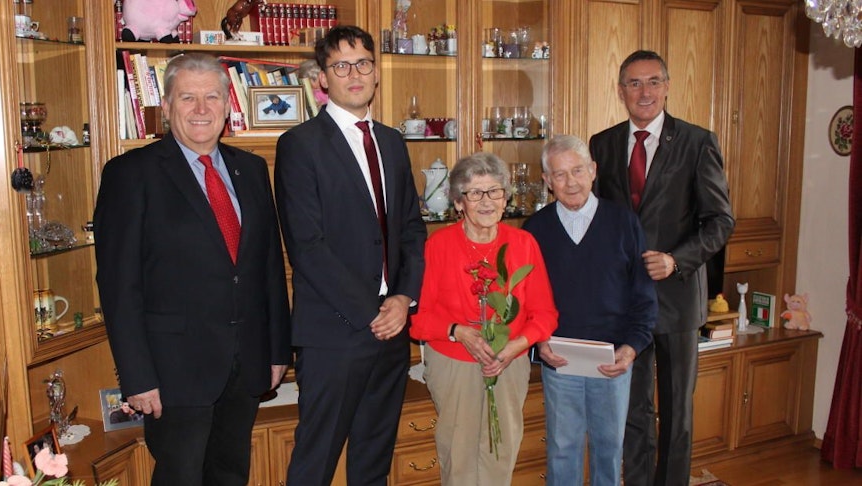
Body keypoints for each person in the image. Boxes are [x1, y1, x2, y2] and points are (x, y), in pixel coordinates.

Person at [94, 52, 291, 486]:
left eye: (212, 97)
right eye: (187, 98)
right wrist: (137, 376)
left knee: (230, 474)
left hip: (246, 363)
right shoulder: (130, 174)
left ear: (227, 106)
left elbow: (269, 269)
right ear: (166, 106)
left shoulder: (251, 169)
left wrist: (278, 350)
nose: (201, 109)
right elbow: (118, 286)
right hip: (173, 372)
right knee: (180, 478)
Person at [273, 25, 427, 486]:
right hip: (335, 333)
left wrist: (402, 299)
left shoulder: (392, 142)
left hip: (393, 329)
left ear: (376, 72)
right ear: (323, 78)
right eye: (341, 66)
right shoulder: (300, 145)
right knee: (314, 464)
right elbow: (307, 246)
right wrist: (370, 312)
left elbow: (411, 230)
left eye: (362, 63)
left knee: (373, 462)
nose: (354, 74)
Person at [589, 50, 734, 486]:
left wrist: (676, 260)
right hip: (624, 305)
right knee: (632, 410)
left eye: (653, 81)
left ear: (667, 87)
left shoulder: (697, 141)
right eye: (634, 83)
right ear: (621, 91)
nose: (644, 91)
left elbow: (720, 221)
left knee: (676, 412)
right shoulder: (602, 144)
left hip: (677, 301)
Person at [410, 152, 558, 485]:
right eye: (475, 193)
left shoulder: (524, 244)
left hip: (510, 362)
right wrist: (458, 331)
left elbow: (545, 314)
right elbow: (419, 321)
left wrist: (515, 346)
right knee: (458, 454)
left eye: (494, 191)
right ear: (458, 202)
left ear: (506, 199)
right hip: (453, 363)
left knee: (501, 453)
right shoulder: (438, 245)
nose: (486, 201)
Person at [522, 135, 657, 486]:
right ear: (547, 180)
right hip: (559, 359)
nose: (571, 182)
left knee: (609, 450)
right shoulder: (534, 230)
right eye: (560, 174)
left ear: (593, 171)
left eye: (578, 171)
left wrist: (631, 349)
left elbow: (644, 296)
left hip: (613, 359)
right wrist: (539, 343)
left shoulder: (624, 223)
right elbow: (524, 300)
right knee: (562, 449)